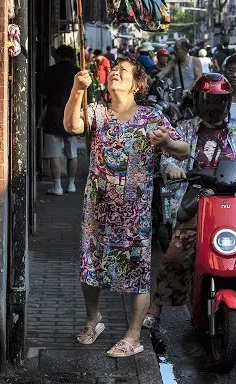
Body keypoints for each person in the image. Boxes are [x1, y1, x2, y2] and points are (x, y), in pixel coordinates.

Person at [63, 57, 191, 357]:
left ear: (137, 84)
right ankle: (94, 320)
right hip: (97, 209)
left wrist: (166, 144)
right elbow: (71, 125)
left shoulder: (151, 117)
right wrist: (77, 89)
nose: (116, 74)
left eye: (123, 72)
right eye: (114, 71)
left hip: (134, 213)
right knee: (90, 267)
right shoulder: (98, 112)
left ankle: (133, 336)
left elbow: (184, 150)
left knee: (137, 273)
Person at [144, 73, 236, 335]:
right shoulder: (185, 128)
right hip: (197, 201)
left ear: (227, 103)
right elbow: (169, 155)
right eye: (208, 100)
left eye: (219, 101)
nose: (213, 107)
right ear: (198, 101)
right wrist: (172, 168)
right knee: (175, 255)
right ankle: (156, 307)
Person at [41, 45, 82, 195]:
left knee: (54, 154)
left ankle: (57, 186)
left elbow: (43, 93)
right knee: (73, 153)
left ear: (57, 56)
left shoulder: (51, 71)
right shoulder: (78, 72)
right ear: (72, 57)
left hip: (54, 116)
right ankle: (71, 185)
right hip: (73, 116)